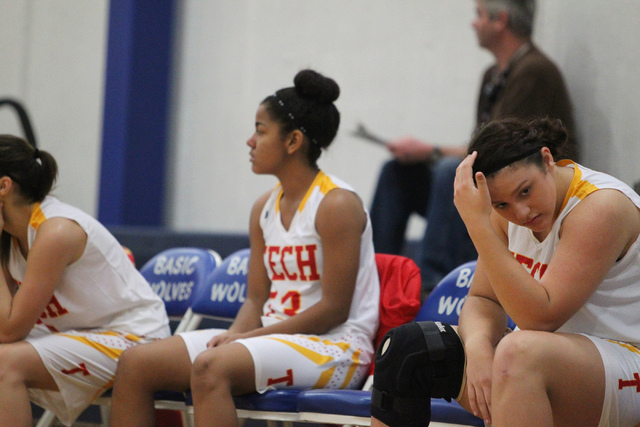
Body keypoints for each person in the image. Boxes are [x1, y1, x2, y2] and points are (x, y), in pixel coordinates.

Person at [109, 69, 381, 427]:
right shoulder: (263, 208)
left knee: (211, 367)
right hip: (274, 335)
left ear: (293, 141)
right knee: (135, 363)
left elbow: (333, 310)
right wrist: (236, 337)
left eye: (260, 130)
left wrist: (245, 340)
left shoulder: (336, 204)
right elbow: (255, 300)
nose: (250, 141)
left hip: (336, 347)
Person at [369, 117, 640, 427]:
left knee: (518, 354)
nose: (520, 213)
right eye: (501, 205)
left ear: (548, 160)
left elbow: (541, 317)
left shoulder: (600, 207)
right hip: (550, 361)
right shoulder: (505, 215)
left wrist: (477, 224)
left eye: (525, 191)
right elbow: (483, 300)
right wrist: (477, 348)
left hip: (628, 360)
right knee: (409, 349)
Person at [369, 0, 578, 299]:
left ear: (500, 20)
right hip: (499, 180)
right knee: (396, 173)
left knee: (447, 173)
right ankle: (377, 276)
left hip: (521, 187)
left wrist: (429, 150)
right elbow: (482, 146)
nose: (473, 23)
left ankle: (433, 287)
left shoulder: (534, 71)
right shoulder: (493, 73)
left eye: (479, 15)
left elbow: (505, 153)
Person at [0, 135, 170, 426]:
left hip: (135, 339)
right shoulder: (12, 235)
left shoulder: (56, 231)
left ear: (3, 186)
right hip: (81, 334)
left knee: (4, 363)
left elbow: (8, 330)